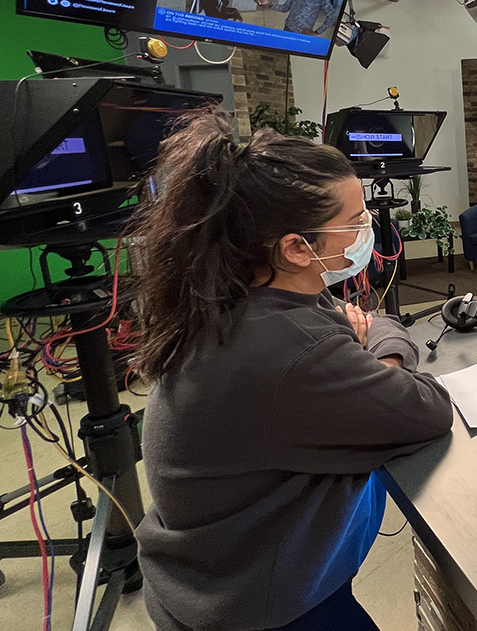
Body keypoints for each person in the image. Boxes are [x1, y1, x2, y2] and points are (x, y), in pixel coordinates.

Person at [132, 110, 453, 631]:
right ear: (296, 247)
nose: (368, 227)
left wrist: (362, 348)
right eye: (356, 221)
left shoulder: (238, 294)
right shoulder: (288, 349)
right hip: (264, 606)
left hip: (215, 577)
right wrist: (385, 357)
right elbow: (425, 408)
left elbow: (357, 330)